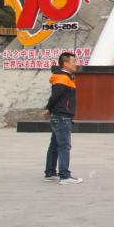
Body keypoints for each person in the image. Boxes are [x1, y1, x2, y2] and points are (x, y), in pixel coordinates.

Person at [44, 51, 81, 184]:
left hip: (58, 116)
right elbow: (56, 96)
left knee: (54, 145)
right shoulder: (63, 78)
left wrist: (50, 109)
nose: (76, 64)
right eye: (73, 62)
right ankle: (64, 176)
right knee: (64, 146)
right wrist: (48, 107)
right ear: (65, 63)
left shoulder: (65, 77)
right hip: (62, 117)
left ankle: (50, 173)